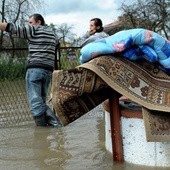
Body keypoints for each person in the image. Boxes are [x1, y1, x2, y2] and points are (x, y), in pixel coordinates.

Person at [0, 13, 61, 127]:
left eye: (31, 22)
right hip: (48, 71)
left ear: (38, 22)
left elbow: (12, 28)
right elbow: (57, 43)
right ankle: (48, 132)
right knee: (40, 102)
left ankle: (52, 127)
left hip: (35, 70)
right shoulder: (53, 33)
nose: (29, 25)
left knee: (35, 103)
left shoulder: (34, 30)